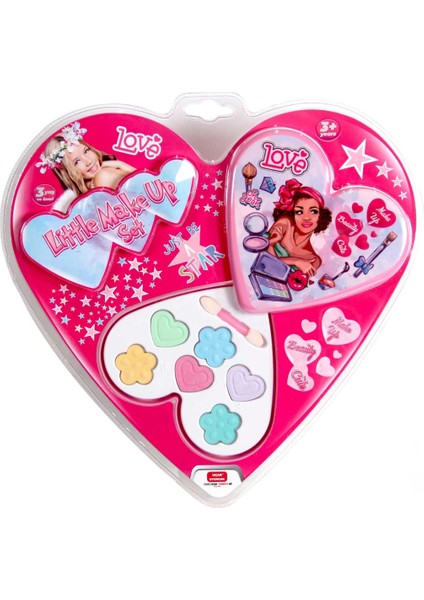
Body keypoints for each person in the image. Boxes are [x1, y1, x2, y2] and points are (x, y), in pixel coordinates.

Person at [37, 121, 136, 211]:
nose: (88, 161)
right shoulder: (101, 177)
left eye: (86, 151)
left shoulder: (99, 179)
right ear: (67, 173)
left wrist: (119, 164)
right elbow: (143, 184)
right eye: (77, 162)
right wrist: (119, 164)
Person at [267, 178, 332, 277]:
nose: (306, 217)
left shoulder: (314, 259)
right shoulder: (285, 224)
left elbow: (294, 281)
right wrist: (296, 261)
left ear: (321, 216)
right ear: (293, 214)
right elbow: (266, 262)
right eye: (299, 212)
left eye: (313, 211)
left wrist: (271, 247)